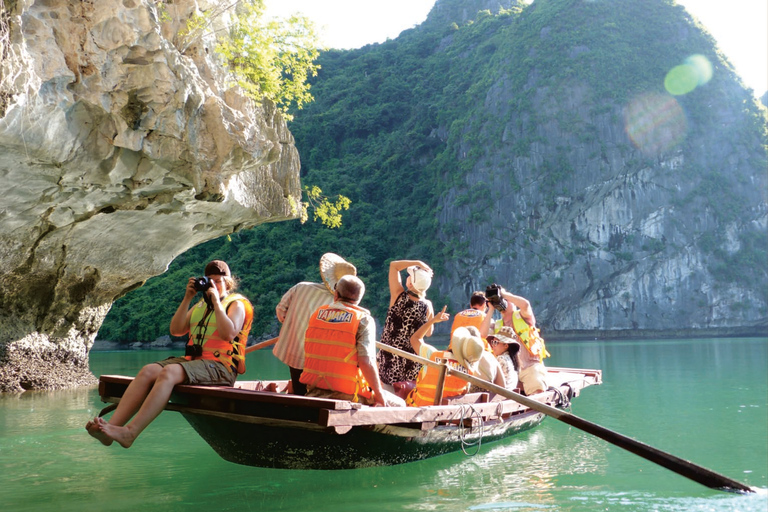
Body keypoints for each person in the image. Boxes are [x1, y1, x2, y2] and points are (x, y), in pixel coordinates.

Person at [85, 260, 253, 448]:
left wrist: (216, 302)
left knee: (169, 372)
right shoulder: (199, 306)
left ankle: (130, 433)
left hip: (221, 368)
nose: (213, 285)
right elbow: (176, 330)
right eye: (209, 281)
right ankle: (111, 429)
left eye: (218, 281)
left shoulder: (236, 304)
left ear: (228, 283)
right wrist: (187, 298)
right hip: (195, 364)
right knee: (148, 370)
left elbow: (228, 333)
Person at [300, 275, 404, 407]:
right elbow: (366, 362)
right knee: (400, 404)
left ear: (336, 294)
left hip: (314, 390)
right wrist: (379, 395)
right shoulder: (363, 320)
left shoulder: (317, 314)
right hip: (347, 395)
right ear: (359, 298)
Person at [272, 253, 357, 395]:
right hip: (323, 360)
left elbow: (281, 312)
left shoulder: (301, 287)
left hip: (294, 352)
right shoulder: (342, 306)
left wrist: (294, 324)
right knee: (317, 393)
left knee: (299, 391)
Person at [376, 260, 435, 389]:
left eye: (410, 276)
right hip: (411, 363)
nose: (407, 277)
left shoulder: (398, 296)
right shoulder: (427, 306)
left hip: (388, 360)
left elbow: (394, 265)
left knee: (387, 396)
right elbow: (429, 333)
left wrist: (419, 262)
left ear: (411, 284)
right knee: (406, 397)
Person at [483, 283, 550, 395]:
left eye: (506, 301)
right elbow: (482, 334)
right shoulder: (498, 324)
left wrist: (504, 294)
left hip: (529, 366)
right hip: (509, 368)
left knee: (536, 387)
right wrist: (490, 310)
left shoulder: (522, 316)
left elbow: (525, 304)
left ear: (513, 304)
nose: (502, 302)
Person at [406, 310, 481, 406]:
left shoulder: (432, 354)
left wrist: (432, 321)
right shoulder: (470, 371)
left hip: (418, 411)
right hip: (445, 416)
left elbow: (415, 339)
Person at [487, 326, 521, 390]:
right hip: (508, 395)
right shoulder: (512, 360)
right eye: (492, 342)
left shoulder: (501, 359)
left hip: (501, 396)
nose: (492, 345)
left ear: (505, 346)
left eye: (495, 342)